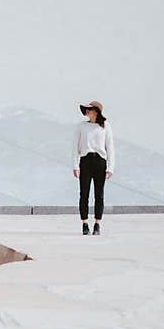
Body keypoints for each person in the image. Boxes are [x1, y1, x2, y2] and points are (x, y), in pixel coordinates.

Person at [72, 100, 115, 235]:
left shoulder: (105, 126)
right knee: (84, 194)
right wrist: (75, 165)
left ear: (96, 111)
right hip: (85, 161)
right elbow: (75, 148)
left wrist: (110, 168)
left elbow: (110, 148)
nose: (87, 111)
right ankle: (84, 223)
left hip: (100, 162)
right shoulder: (81, 127)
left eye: (89, 109)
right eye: (86, 109)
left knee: (99, 195)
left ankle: (97, 224)